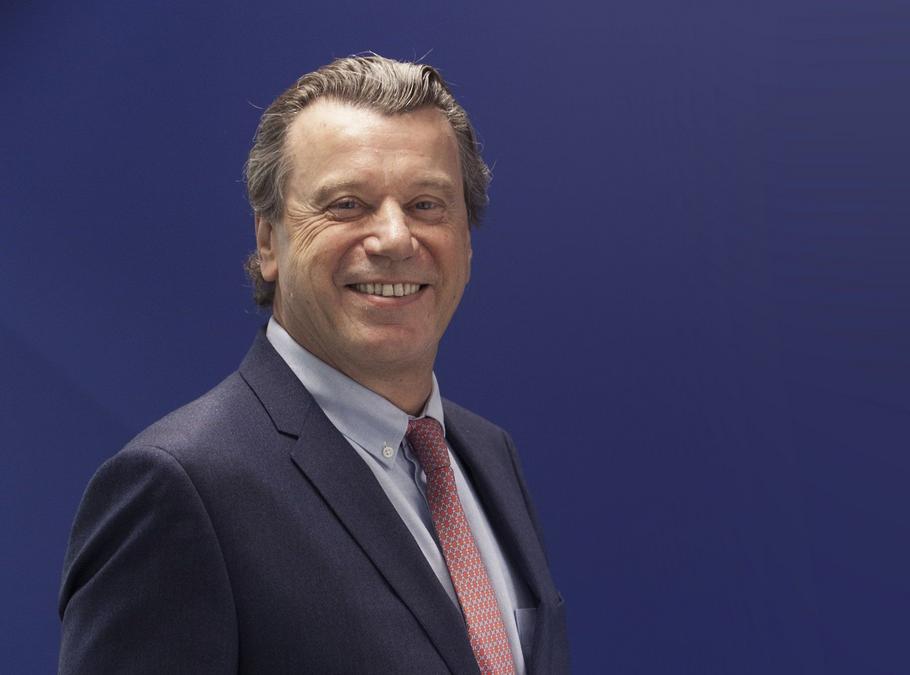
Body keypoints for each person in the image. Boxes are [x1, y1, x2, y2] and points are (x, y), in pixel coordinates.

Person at [57, 55, 569, 675]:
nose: (395, 238)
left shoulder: (486, 454)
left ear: (466, 237)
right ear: (268, 241)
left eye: (427, 204)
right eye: (348, 204)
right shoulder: (179, 489)